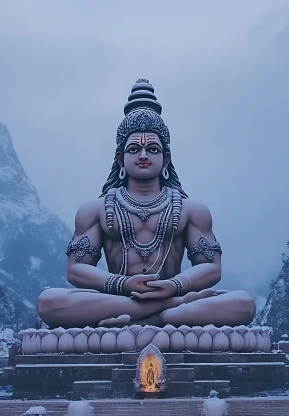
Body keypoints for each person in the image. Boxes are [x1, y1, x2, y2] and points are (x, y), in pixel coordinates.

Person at [37, 79, 256, 328]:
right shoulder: (96, 209)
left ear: (166, 158)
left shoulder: (191, 210)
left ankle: (138, 314)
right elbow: (76, 270)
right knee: (48, 302)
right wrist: (123, 284)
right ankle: (164, 312)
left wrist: (174, 286)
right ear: (120, 158)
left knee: (243, 303)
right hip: (123, 298)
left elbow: (211, 268)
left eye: (152, 149)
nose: (143, 155)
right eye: (133, 150)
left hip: (162, 296)